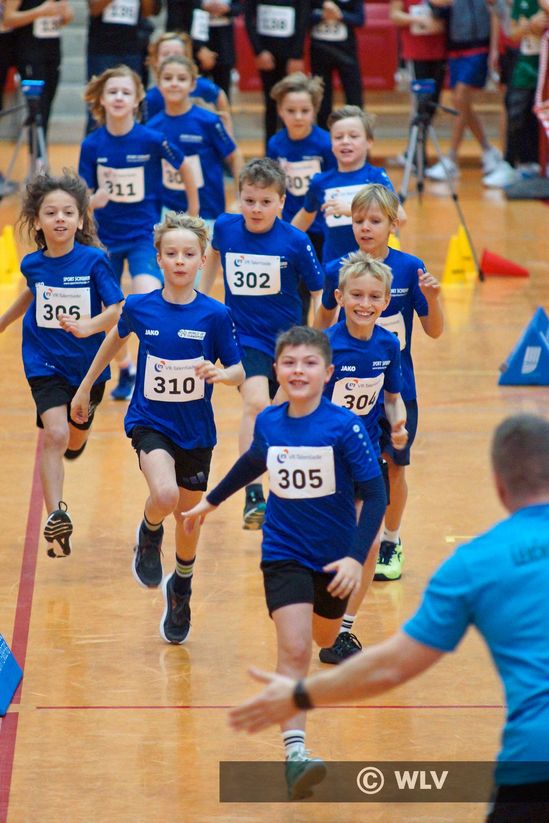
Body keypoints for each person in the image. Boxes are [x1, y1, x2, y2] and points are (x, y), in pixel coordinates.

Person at [228, 412, 549, 822]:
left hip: (535, 762)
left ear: (499, 485)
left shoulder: (475, 563)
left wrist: (299, 695)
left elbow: (392, 667)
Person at [182, 325, 387, 800]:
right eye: (289, 363)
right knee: (294, 649)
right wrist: (212, 501)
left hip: (334, 559)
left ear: (328, 373)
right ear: (276, 370)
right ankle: (296, 754)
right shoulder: (270, 422)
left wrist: (355, 558)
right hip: (284, 552)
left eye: (309, 363)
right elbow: (254, 461)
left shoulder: (345, 427)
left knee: (325, 638)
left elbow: (376, 494)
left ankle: (329, 634)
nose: (299, 371)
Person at [71, 212, 244, 643]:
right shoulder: (139, 306)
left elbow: (239, 368)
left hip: (196, 432)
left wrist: (223, 376)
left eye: (189, 254)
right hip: (150, 422)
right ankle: (149, 532)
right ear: (159, 259)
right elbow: (114, 339)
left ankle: (181, 586)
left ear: (201, 260)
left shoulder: (215, 314)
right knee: (165, 496)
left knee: (188, 519)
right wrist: (86, 387)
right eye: (172, 253)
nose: (180, 261)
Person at [315, 184, 443, 584]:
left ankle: (390, 539)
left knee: (393, 469)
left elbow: (434, 331)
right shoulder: (337, 269)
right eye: (358, 221)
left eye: (375, 221)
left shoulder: (409, 269)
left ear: (393, 224)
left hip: (396, 391)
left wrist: (433, 298)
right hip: (344, 394)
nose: (365, 228)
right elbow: (319, 329)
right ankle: (344, 541)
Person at [0, 171, 123, 557]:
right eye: (50, 212)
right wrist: (4, 321)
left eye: (68, 212)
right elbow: (31, 293)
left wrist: (89, 326)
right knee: (54, 434)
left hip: (88, 368)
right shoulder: (33, 264)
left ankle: (76, 439)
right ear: (37, 221)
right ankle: (56, 515)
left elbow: (118, 310)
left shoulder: (94, 261)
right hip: (44, 361)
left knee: (73, 437)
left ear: (81, 220)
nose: (59, 219)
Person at [200, 157, 324, 529]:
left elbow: (319, 292)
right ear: (239, 198)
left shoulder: (296, 242)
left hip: (288, 343)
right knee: (256, 404)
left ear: (281, 202)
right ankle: (253, 494)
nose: (256, 209)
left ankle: (287, 498)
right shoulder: (225, 227)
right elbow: (213, 256)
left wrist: (319, 339)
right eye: (249, 200)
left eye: (265, 202)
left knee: (280, 416)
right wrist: (200, 299)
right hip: (244, 337)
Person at [79, 64, 199, 401]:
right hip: (103, 240)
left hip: (143, 236)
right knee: (110, 311)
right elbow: (82, 195)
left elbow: (184, 166)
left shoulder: (151, 139)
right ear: (102, 99)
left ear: (137, 100)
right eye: (112, 92)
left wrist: (192, 212)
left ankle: (154, 369)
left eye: (125, 92)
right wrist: (92, 202)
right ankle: (126, 368)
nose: (119, 97)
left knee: (145, 298)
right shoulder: (92, 144)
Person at [319, 251, 407, 664]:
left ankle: (343, 631)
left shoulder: (388, 345)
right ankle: (320, 617)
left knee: (368, 543)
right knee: (328, 544)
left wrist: (398, 423)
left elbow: (391, 398)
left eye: (374, 297)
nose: (365, 304)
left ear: (386, 301)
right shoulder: (324, 346)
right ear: (339, 297)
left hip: (366, 457)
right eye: (356, 295)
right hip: (323, 460)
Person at [292, 106, 406, 264]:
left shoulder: (376, 178)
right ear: (331, 144)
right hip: (334, 268)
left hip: (373, 268)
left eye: (353, 136)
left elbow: (401, 217)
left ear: (369, 142)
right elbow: (304, 218)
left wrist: (353, 211)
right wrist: (283, 243)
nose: (345, 141)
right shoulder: (320, 182)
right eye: (338, 137)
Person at [147, 55, 241, 226]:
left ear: (192, 85)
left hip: (208, 211)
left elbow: (233, 156)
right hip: (168, 213)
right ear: (158, 85)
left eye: (181, 79)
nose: (174, 83)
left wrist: (240, 197)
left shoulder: (208, 121)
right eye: (167, 78)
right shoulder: (152, 127)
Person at [425, 0, 502, 180]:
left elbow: (495, 12)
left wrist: (494, 49)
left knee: (460, 97)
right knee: (461, 103)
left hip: (478, 47)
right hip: (454, 49)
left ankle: (451, 158)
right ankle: (488, 150)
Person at [482, 0, 548, 187]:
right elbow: (513, 34)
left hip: (545, 64)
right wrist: (529, 26)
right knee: (516, 110)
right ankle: (515, 163)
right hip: (527, 64)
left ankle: (539, 162)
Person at [4, 0, 73, 155]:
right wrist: (39, 12)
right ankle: (38, 160)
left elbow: (66, 17)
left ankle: (40, 158)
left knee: (46, 107)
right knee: (37, 109)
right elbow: (8, 18)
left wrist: (65, 15)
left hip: (53, 54)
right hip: (30, 54)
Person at [85, 0, 159, 134]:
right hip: (102, 49)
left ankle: (133, 143)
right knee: (97, 104)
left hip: (132, 49)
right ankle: (97, 143)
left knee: (134, 104)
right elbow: (94, 8)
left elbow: (148, 12)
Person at [389, 0, 447, 171]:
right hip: (416, 54)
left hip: (439, 52)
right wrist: (418, 20)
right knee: (419, 105)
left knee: (432, 105)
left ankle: (414, 151)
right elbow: (395, 15)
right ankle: (416, 155)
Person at [244, 0, 311, 147]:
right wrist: (258, 51)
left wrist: (297, 55)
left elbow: (303, 19)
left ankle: (293, 148)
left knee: (292, 102)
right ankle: (270, 152)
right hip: (266, 55)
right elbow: (249, 18)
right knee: (270, 104)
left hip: (290, 56)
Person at [142, 31, 233, 134]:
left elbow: (219, 95)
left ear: (187, 58)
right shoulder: (150, 98)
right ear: (155, 60)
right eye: (165, 54)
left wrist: (227, 128)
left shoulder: (201, 86)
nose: (172, 58)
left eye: (177, 54)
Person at [309, 0, 365, 130]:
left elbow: (360, 19)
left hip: (346, 52)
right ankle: (324, 136)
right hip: (319, 51)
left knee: (354, 95)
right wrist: (322, 15)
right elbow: (302, 17)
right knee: (322, 97)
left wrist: (339, 15)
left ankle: (356, 132)